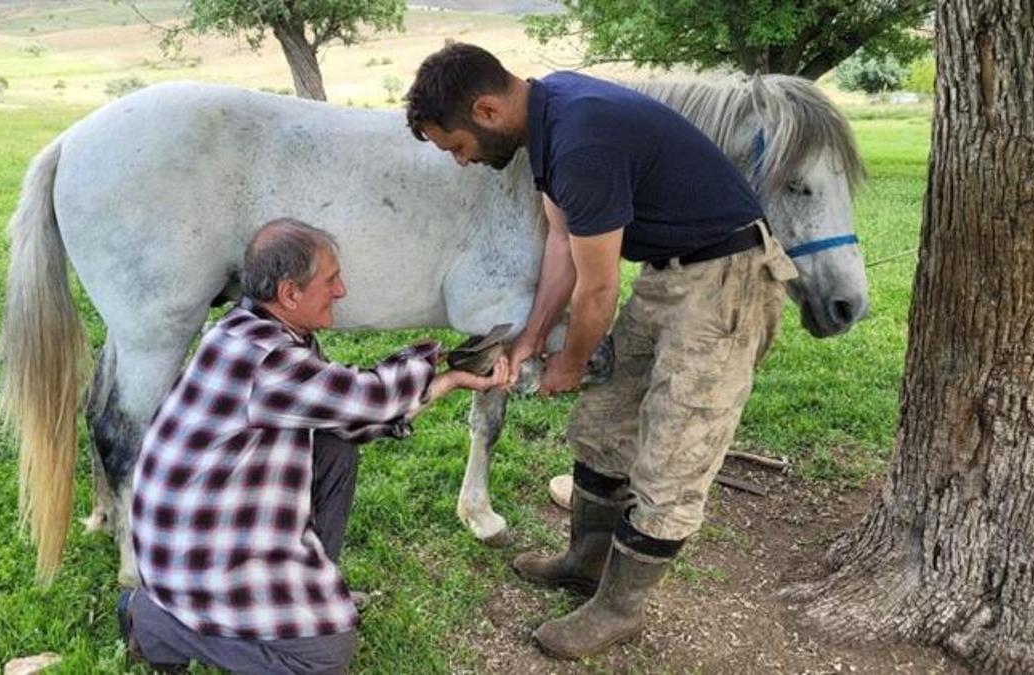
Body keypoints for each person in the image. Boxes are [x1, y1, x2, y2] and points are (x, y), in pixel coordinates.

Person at [405, 44, 798, 659]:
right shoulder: (549, 114)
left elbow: (597, 289)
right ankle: (586, 563)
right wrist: (533, 337)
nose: (462, 161)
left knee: (675, 454)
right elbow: (563, 240)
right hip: (670, 277)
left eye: (456, 146)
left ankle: (620, 609)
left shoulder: (580, 143)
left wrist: (567, 364)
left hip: (727, 282)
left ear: (486, 111)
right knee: (603, 422)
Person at [119, 217, 508, 674]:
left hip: (200, 520)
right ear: (289, 294)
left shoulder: (252, 329)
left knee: (336, 444)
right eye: (331, 280)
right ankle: (158, 622)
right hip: (193, 555)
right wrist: (440, 365)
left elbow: (351, 411)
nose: (341, 290)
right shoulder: (268, 360)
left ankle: (306, 590)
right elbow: (372, 399)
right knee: (325, 656)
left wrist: (451, 374)